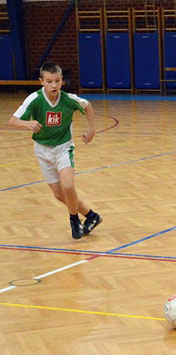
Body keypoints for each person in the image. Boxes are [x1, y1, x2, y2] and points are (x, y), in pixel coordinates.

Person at [8, 61, 102, 240]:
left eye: (57, 81)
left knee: (68, 186)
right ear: (41, 81)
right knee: (59, 195)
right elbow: (12, 121)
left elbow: (87, 105)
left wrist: (92, 130)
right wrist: (27, 123)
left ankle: (74, 220)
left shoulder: (68, 99)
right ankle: (91, 216)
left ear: (62, 81)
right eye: (49, 81)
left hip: (63, 148)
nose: (54, 85)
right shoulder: (34, 99)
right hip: (43, 151)